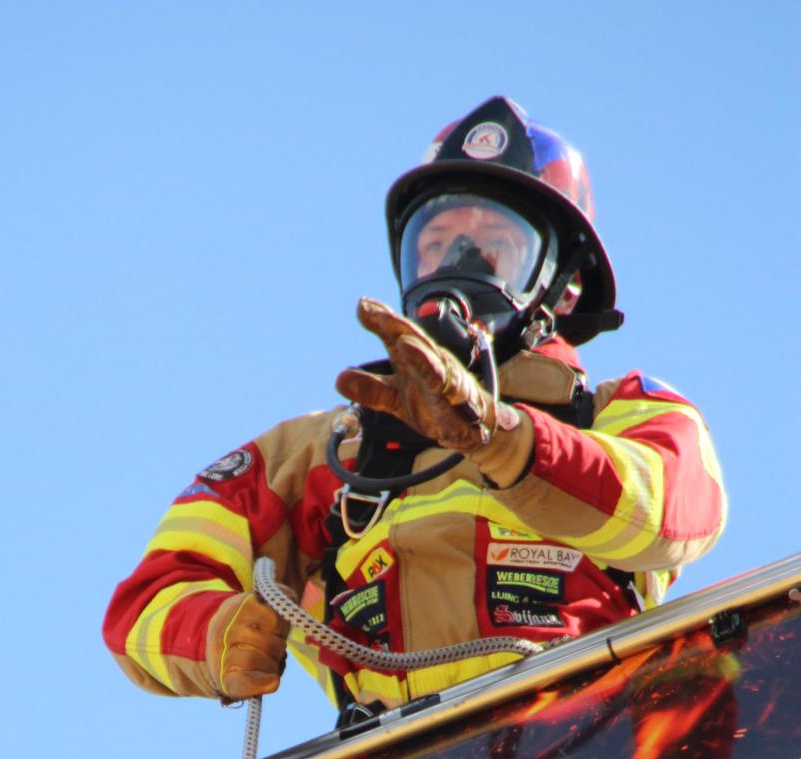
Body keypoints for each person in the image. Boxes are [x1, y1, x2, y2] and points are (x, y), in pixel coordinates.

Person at [103, 96, 726, 720]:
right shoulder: (322, 451)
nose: (460, 261)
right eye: (437, 241)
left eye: (495, 242)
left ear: (563, 284)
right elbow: (145, 603)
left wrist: (502, 438)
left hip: (585, 748)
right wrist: (216, 633)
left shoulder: (632, 413)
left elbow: (669, 515)